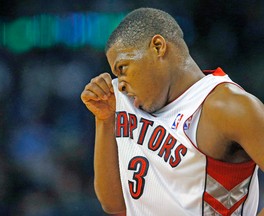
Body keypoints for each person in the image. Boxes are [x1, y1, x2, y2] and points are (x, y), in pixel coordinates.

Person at [81, 7, 264, 216]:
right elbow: (115, 206)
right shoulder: (124, 105)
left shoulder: (227, 106)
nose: (120, 84)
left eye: (123, 68)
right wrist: (104, 120)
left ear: (158, 47)